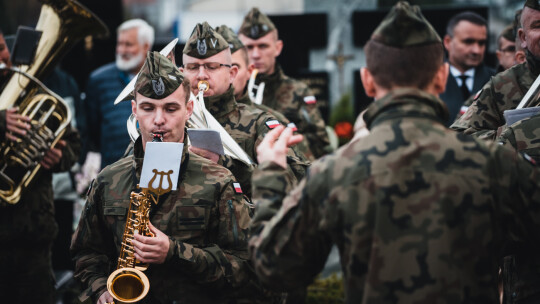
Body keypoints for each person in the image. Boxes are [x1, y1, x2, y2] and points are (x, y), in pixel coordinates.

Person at [248, 2, 540, 303]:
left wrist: (270, 173)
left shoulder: (334, 172)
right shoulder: (496, 163)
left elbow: (276, 268)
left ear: (367, 81)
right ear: (440, 77)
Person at [71, 51, 253, 304]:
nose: (159, 120)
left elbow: (242, 265)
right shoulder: (108, 180)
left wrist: (173, 251)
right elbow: (87, 254)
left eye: (170, 108)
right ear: (134, 110)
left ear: (189, 109)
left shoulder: (219, 180)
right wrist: (100, 289)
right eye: (148, 108)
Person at [181, 22, 309, 198]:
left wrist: (226, 164)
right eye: (193, 67)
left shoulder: (259, 123)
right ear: (182, 73)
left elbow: (298, 182)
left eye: (211, 66)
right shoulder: (168, 121)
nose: (201, 75)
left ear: (232, 74)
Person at [0, 30, 81, 303]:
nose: (1, 57)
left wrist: (60, 157)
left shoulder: (33, 90)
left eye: (2, 48)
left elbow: (73, 145)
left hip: (32, 230)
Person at [238, 8, 330, 158]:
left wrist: (286, 143)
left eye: (263, 46)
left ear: (278, 47)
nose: (255, 55)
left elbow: (320, 143)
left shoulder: (298, 92)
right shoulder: (234, 91)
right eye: (249, 47)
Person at [215, 24, 315, 162]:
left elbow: (298, 174)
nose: (226, 76)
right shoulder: (182, 117)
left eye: (234, 68)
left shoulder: (270, 121)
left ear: (249, 71)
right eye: (213, 67)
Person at [451, 1, 540, 141]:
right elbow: (457, 140)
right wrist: (517, 136)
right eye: (538, 26)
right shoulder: (501, 86)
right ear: (523, 37)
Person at [83, 19, 154, 169]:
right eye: (119, 44)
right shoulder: (98, 80)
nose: (121, 50)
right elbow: (91, 130)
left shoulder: (162, 78)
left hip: (154, 168)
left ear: (146, 46)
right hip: (113, 172)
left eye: (128, 44)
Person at [440, 11, 495, 125]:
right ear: (447, 42)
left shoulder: (498, 80)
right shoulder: (429, 80)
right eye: (468, 42)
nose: (477, 50)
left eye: (481, 43)